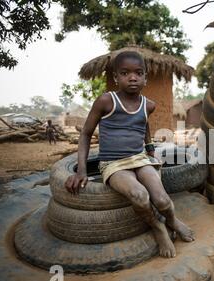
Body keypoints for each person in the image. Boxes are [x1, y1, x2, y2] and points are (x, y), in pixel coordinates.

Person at [65, 51, 194, 258]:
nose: (132, 77)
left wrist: (150, 150)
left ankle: (171, 220)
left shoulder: (148, 105)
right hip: (113, 164)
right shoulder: (106, 101)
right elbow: (86, 134)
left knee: (162, 200)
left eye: (138, 73)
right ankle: (157, 227)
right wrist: (81, 171)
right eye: (125, 73)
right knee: (139, 195)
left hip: (140, 159)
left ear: (145, 78)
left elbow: (142, 125)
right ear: (116, 78)